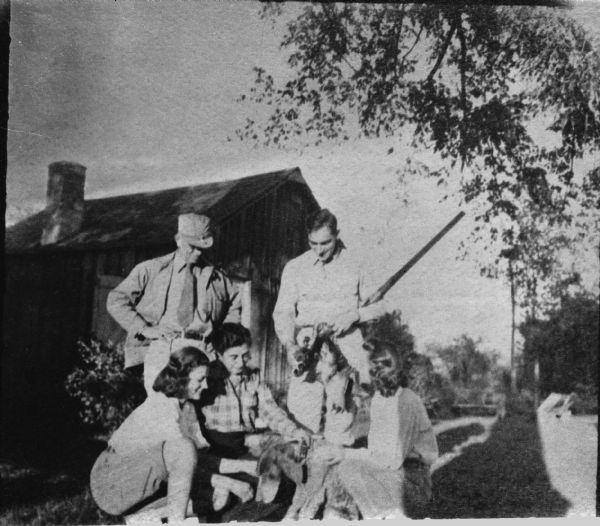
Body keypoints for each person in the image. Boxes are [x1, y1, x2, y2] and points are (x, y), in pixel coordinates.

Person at [89, 347, 258, 523]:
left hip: (139, 487)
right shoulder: (161, 406)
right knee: (185, 449)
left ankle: (142, 517)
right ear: (182, 378)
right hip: (110, 482)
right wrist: (228, 482)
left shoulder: (186, 408)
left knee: (220, 497)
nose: (206, 385)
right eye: (200, 379)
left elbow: (196, 460)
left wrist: (243, 466)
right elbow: (184, 457)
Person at [272, 208, 385, 433]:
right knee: (301, 422)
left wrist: (355, 315)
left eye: (325, 243)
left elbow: (380, 305)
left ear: (337, 234)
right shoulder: (295, 267)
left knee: (340, 423)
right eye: (313, 243)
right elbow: (283, 312)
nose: (319, 250)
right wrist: (289, 344)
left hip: (346, 349)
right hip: (308, 346)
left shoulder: (357, 263)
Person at [106, 213, 241, 393]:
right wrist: (144, 328)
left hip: (202, 351)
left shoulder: (218, 279)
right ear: (178, 240)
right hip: (163, 348)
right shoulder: (151, 269)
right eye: (192, 247)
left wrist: (220, 341)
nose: (198, 252)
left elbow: (235, 307)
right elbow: (116, 299)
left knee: (197, 413)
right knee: (163, 408)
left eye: (202, 248)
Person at [309, 338, 439, 519]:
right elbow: (378, 452)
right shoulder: (379, 399)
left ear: (377, 368)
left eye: (361, 363)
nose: (355, 368)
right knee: (344, 468)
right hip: (394, 474)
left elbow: (391, 460)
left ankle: (390, 516)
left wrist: (346, 453)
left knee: (350, 467)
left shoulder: (406, 400)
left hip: (413, 481)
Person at [199, 323, 311, 458]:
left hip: (246, 444)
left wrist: (293, 431)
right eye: (234, 357)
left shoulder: (254, 377)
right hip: (215, 447)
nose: (241, 363)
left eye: (245, 355)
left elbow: (270, 410)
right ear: (218, 355)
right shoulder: (206, 378)